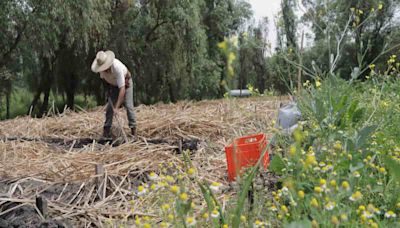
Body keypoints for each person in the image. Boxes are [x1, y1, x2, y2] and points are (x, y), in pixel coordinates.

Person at [91, 50, 136, 139]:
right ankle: (106, 131)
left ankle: (133, 131)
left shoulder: (117, 67)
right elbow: (105, 81)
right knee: (109, 109)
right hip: (113, 85)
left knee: (128, 106)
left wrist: (117, 107)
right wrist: (109, 91)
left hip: (126, 83)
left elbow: (122, 89)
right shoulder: (101, 70)